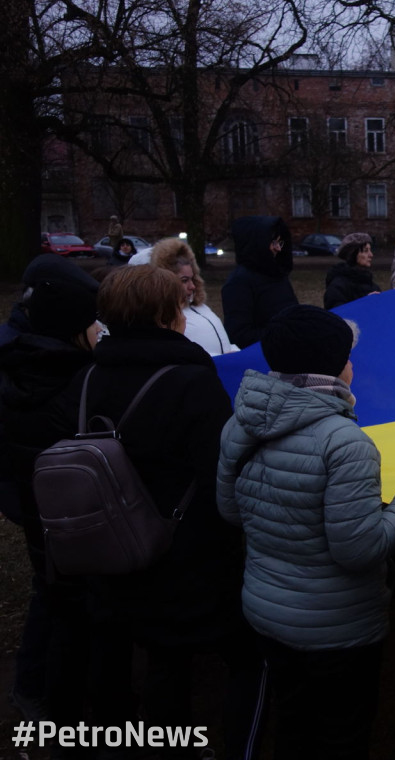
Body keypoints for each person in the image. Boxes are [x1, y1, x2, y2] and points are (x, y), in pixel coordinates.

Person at [67, 265, 265, 756]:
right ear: (168, 314)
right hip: (185, 548)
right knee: (235, 653)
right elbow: (221, 466)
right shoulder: (191, 380)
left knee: (156, 656)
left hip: (110, 543)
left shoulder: (87, 376)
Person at [218, 305, 395, 760]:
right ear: (335, 364)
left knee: (293, 725)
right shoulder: (344, 442)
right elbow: (359, 550)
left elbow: (230, 511)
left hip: (265, 610)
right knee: (341, 734)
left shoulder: (239, 422)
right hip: (338, 629)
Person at [0, 256, 102, 728]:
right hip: (52, 502)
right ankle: (42, 693)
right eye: (91, 324)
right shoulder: (56, 372)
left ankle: (41, 685)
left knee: (54, 591)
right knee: (59, 598)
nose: (99, 332)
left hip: (32, 496)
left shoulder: (23, 350)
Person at [151, 237, 239, 355]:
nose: (192, 286)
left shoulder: (201, 308)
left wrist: (234, 352)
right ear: (167, 281)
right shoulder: (167, 319)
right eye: (184, 280)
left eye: (192, 279)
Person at [221, 215, 298, 348]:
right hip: (264, 358)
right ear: (257, 244)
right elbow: (239, 335)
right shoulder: (239, 283)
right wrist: (285, 334)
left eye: (280, 242)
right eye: (273, 242)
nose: (278, 248)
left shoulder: (277, 273)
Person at [324, 232, 382, 308]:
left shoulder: (372, 285)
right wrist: (365, 302)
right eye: (365, 251)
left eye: (370, 250)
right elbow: (338, 315)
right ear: (352, 254)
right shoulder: (338, 286)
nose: (371, 255)